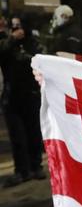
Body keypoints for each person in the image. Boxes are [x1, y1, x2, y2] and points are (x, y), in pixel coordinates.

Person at [0, 14, 45, 187]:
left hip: (31, 95)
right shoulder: (7, 43)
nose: (16, 29)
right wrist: (11, 40)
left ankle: (36, 166)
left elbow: (41, 58)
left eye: (19, 26)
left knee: (33, 133)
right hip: (12, 98)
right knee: (17, 136)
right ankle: (22, 170)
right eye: (13, 26)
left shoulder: (33, 43)